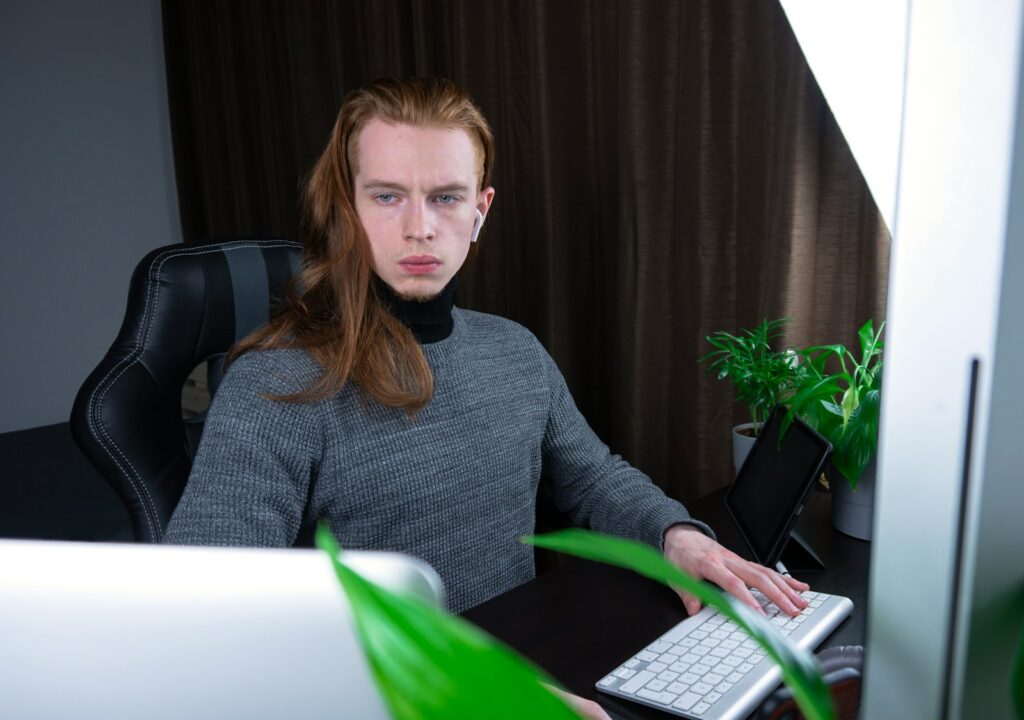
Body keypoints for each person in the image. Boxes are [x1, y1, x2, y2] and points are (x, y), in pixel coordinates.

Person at [164, 75, 807, 625]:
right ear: (348, 206)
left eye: (446, 197)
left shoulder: (514, 349)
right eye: (387, 196)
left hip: (523, 664)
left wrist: (676, 537)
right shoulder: (275, 385)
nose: (420, 226)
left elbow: (594, 480)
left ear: (480, 210)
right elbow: (211, 615)